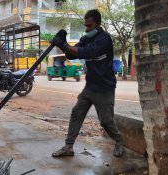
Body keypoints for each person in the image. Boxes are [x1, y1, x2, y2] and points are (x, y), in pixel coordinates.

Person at [50, 9, 124, 158]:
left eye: (89, 25)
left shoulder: (104, 39)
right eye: (85, 25)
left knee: (106, 121)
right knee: (77, 112)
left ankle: (119, 141)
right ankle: (68, 147)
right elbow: (72, 53)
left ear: (98, 24)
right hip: (90, 86)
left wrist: (64, 45)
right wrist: (63, 43)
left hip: (105, 87)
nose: (87, 28)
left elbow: (89, 52)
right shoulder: (86, 38)